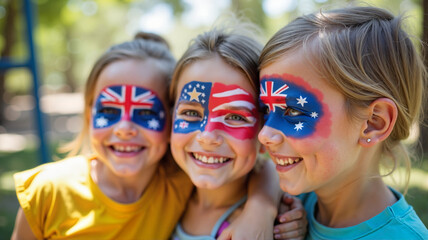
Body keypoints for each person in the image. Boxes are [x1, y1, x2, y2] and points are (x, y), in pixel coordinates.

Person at [11, 32, 288, 240]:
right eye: (108, 109)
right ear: (88, 114)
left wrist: (261, 208)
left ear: (168, 120)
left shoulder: (178, 180)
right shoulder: (44, 193)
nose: (124, 128)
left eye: (146, 113)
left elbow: (262, 169)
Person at [257, 6, 428, 239]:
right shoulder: (290, 203)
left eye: (293, 111)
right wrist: (260, 209)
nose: (264, 134)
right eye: (266, 109)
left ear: (373, 122)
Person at [169, 26, 307, 240]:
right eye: (190, 112)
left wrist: (264, 209)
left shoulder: (276, 222)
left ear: (264, 129)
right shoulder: (162, 187)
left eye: (235, 117)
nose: (207, 136)